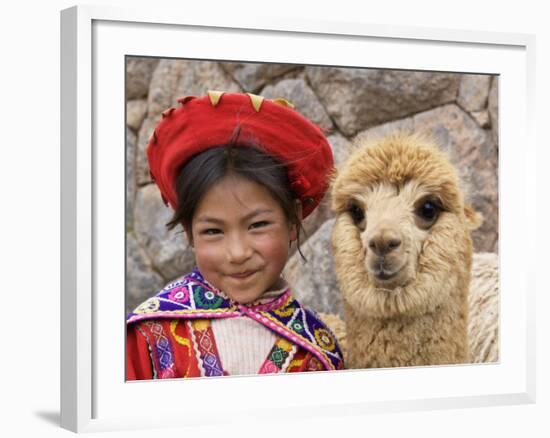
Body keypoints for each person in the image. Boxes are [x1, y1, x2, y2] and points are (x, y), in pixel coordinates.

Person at [126, 90, 344, 380]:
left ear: (292, 220)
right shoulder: (149, 336)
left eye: (257, 225)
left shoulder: (317, 352)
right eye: (213, 231)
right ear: (190, 233)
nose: (238, 252)